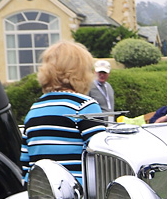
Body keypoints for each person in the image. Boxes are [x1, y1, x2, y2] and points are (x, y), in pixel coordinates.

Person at [20, 41, 106, 183]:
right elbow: (101, 158)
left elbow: (26, 165)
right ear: (82, 72)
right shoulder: (84, 106)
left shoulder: (34, 109)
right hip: (79, 195)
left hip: (43, 195)